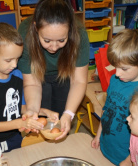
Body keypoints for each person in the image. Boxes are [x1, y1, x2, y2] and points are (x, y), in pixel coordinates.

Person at [0, 23, 58, 153]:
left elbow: (22, 107)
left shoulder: (17, 75)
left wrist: (44, 112)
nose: (14, 65)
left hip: (14, 136)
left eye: (17, 59)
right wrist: (21, 123)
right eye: (8, 60)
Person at [17, 0, 90, 140]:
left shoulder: (79, 34)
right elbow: (32, 83)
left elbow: (79, 81)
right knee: (40, 124)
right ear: (36, 28)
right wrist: (32, 110)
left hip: (64, 76)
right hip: (38, 77)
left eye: (62, 40)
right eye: (47, 40)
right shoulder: (25, 33)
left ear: (70, 30)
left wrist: (68, 114)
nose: (54, 47)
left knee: (61, 120)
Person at [91, 29, 138, 166]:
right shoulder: (115, 79)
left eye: (124, 69)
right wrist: (98, 135)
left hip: (124, 158)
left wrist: (130, 161)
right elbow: (106, 110)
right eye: (115, 67)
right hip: (105, 146)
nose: (117, 74)